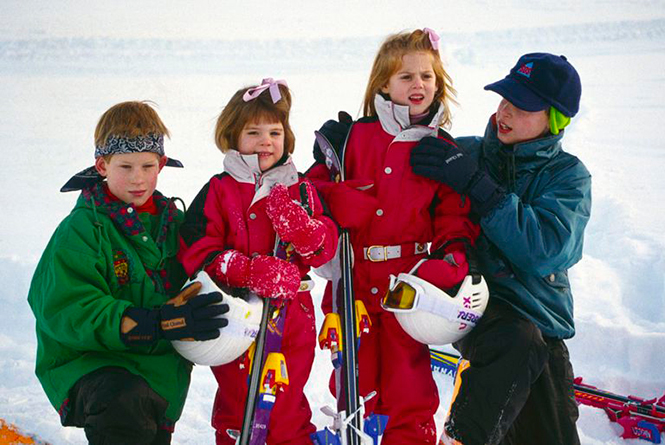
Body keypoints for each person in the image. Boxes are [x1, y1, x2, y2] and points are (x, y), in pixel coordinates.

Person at [307, 29, 479, 444]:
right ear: (383, 83)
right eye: (406, 77)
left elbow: (454, 216)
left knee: (408, 380)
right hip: (355, 278)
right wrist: (331, 185)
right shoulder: (355, 138)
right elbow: (311, 196)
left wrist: (452, 255)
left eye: (427, 76)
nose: (418, 85)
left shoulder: (442, 147)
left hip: (411, 283)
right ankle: (356, 434)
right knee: (355, 373)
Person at [410, 53, 591, 444]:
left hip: (541, 325)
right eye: (504, 98)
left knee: (551, 426)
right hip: (477, 307)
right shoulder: (467, 154)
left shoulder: (568, 178)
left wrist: (479, 188)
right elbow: (397, 162)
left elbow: (545, 249)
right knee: (516, 338)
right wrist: (350, 145)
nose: (504, 111)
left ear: (555, 119)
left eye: (522, 105)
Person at [27, 101, 229, 444]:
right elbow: (67, 309)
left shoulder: (175, 226)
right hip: (91, 365)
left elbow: (206, 267)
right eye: (125, 166)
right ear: (102, 165)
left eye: (147, 166)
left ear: (161, 165)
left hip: (159, 373)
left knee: (141, 414)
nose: (138, 178)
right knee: (125, 401)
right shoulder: (82, 230)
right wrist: (156, 322)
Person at [178, 78, 339, 444]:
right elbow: (197, 248)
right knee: (240, 402)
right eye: (253, 132)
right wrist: (245, 269)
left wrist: (304, 230)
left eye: (275, 131)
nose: (266, 141)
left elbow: (325, 249)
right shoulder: (220, 189)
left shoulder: (300, 189)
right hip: (239, 318)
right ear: (233, 136)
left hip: (292, 318)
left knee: (287, 399)